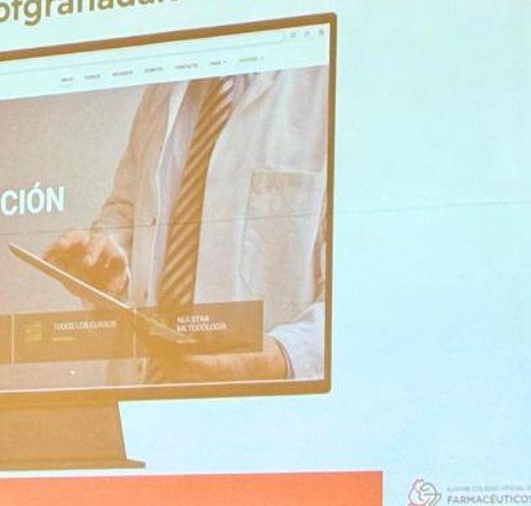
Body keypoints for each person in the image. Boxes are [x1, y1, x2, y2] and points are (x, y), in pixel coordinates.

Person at [44, 66, 329, 384]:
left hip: (264, 409)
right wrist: (106, 258)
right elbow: (129, 208)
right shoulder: (167, 85)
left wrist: (282, 354)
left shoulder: (329, 84)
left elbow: (365, 296)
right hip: (140, 394)